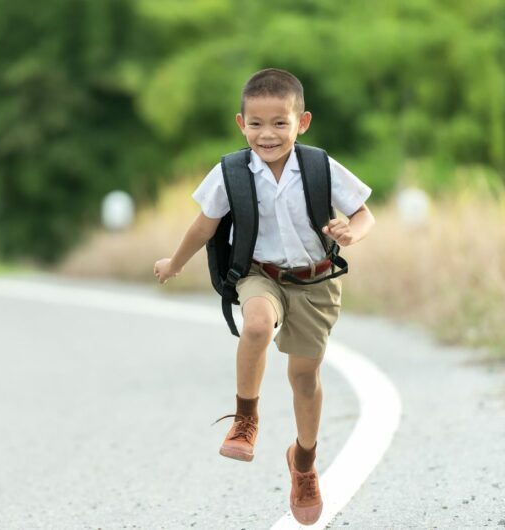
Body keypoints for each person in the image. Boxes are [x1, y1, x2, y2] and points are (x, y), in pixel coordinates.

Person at [153, 68, 375, 525]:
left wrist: (350, 233)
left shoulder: (319, 167)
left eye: (280, 123)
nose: (267, 134)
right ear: (241, 123)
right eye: (256, 124)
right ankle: (245, 420)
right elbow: (205, 224)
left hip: (315, 282)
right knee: (255, 324)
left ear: (302, 122)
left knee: (304, 379)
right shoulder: (231, 172)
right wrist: (174, 261)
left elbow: (363, 213)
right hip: (260, 274)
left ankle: (304, 461)